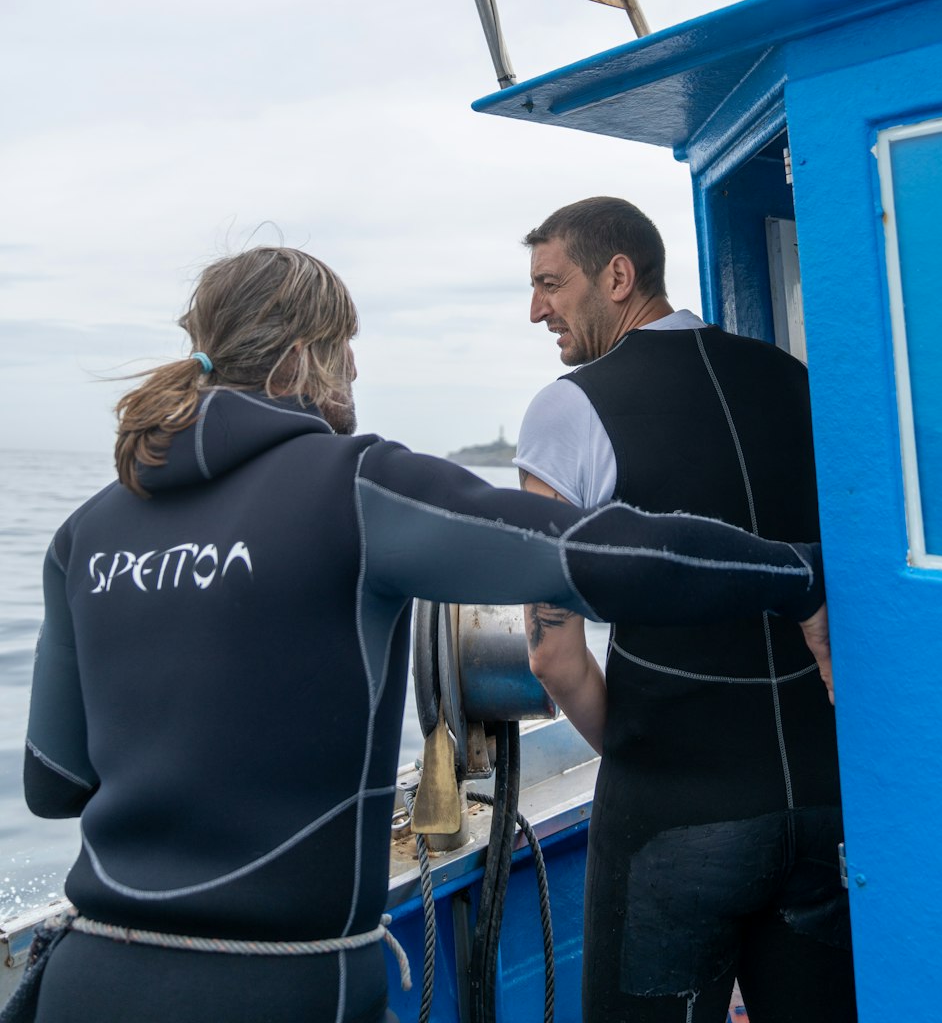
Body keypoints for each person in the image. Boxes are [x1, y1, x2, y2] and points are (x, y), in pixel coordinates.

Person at [19, 244, 831, 1023]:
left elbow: (55, 786)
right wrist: (796, 575)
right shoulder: (353, 486)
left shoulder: (85, 533)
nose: (358, 372)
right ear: (306, 357)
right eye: (348, 348)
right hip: (284, 985)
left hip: (92, 974)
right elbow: (600, 554)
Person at [517, 198, 854, 1023]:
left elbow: (552, 655)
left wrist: (637, 754)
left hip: (673, 812)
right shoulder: (790, 379)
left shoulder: (570, 406)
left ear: (618, 276)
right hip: (820, 798)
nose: (536, 310)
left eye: (550, 284)